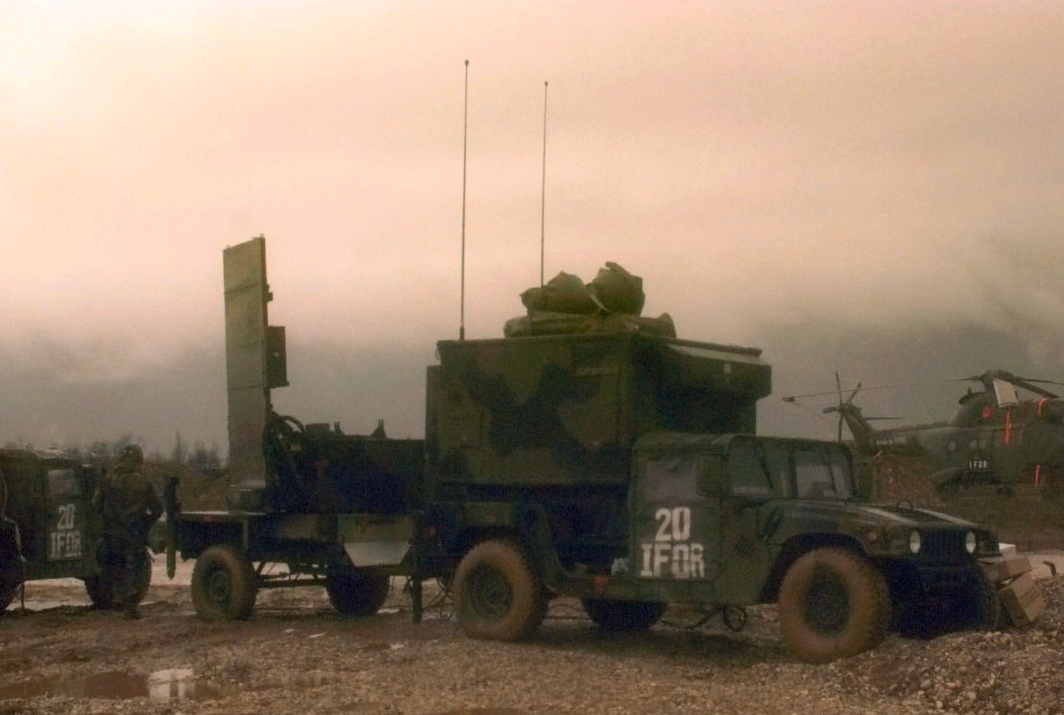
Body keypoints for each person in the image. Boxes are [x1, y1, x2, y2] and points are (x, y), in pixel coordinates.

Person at [95, 445, 162, 619]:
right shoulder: (143, 481)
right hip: (134, 531)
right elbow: (157, 508)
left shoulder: (108, 480)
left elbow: (96, 505)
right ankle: (129, 605)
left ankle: (116, 598)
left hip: (111, 531)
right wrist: (146, 523)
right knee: (133, 566)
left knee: (115, 564)